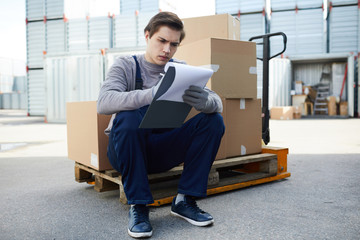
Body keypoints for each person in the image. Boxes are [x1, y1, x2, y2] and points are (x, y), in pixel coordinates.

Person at [97, 11, 225, 238]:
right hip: (126, 151)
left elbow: (217, 102)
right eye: (162, 41)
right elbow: (104, 102)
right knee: (127, 117)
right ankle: (138, 206)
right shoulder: (126, 66)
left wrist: (206, 102)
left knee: (213, 120)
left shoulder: (180, 68)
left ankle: (185, 200)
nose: (167, 49)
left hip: (162, 149)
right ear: (147, 36)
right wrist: (151, 94)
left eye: (174, 44)